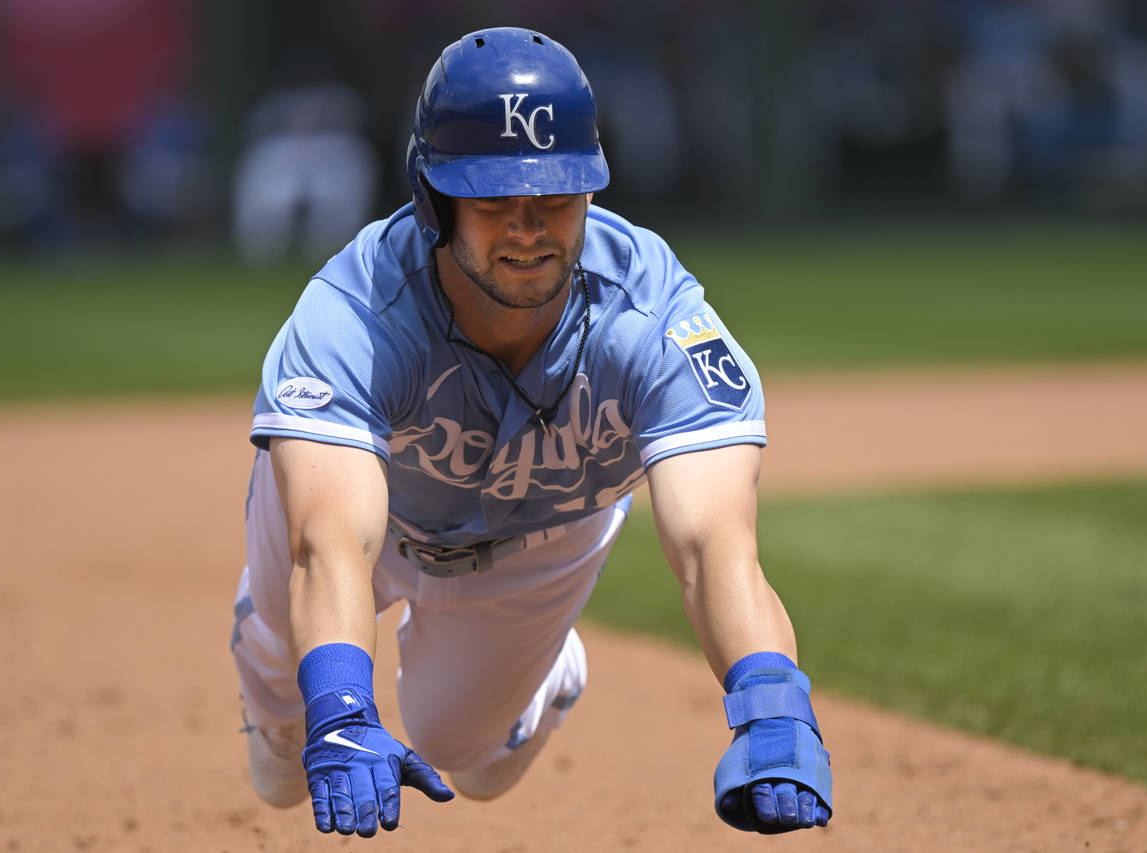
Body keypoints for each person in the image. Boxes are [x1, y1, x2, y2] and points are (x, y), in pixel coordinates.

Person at [229, 26, 832, 838]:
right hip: (367, 521)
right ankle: (280, 703)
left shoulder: (654, 321)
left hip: (534, 542)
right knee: (286, 722)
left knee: (463, 756)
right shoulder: (356, 314)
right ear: (433, 199)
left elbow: (712, 545)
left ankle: (550, 674)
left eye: (554, 197)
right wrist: (338, 708)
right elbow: (328, 541)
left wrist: (773, 704)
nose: (527, 227)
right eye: (492, 201)